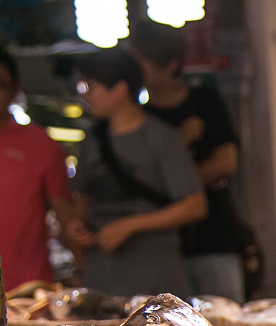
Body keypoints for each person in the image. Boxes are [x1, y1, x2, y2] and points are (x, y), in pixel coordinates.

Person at [68, 50, 206, 297]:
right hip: (101, 278)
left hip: (154, 277)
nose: (85, 95)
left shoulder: (162, 138)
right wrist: (78, 226)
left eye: (90, 86)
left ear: (120, 89)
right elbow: (82, 200)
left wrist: (130, 226)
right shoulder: (92, 141)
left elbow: (194, 205)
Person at [130, 21, 245, 302]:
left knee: (226, 322)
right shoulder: (139, 116)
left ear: (169, 64)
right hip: (162, 247)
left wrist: (172, 184)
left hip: (214, 236)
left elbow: (226, 162)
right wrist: (180, 149)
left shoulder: (204, 101)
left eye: (140, 61)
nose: (133, 70)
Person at [0, 48, 77, 290]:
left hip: (26, 298)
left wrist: (84, 272)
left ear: (15, 89)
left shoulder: (40, 144)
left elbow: (66, 218)